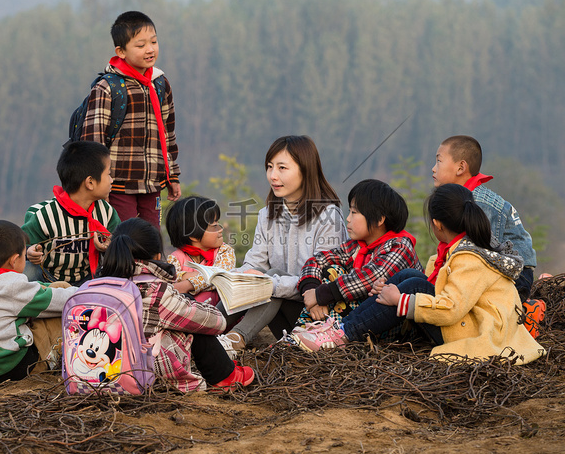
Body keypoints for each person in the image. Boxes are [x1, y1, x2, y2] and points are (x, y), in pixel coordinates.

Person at [292, 184, 545, 366]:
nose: (348, 218)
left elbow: (451, 308)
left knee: (411, 285)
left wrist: (399, 301)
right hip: (466, 322)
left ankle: (342, 334)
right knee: (410, 276)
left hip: (476, 332)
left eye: (354, 212)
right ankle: (339, 330)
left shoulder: (469, 258)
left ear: (437, 224)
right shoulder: (453, 251)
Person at [217, 135, 348, 357]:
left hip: (317, 320)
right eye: (269, 167)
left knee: (273, 279)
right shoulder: (267, 215)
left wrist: (269, 283)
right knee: (260, 279)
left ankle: (235, 340)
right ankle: (206, 328)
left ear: (305, 170)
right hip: (280, 317)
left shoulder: (328, 218)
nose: (273, 176)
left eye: (282, 168)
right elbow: (255, 263)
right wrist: (234, 278)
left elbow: (324, 281)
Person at [97, 217, 254, 392]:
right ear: (157, 256)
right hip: (143, 377)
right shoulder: (155, 291)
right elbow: (216, 322)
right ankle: (226, 376)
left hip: (97, 370)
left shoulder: (98, 285)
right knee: (192, 319)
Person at [81, 10, 181, 226]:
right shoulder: (108, 87)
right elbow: (92, 141)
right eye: (140, 45)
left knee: (151, 241)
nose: (150, 49)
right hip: (118, 184)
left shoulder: (160, 83)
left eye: (153, 42)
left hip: (153, 182)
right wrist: (99, 184)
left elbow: (167, 134)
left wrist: (172, 176)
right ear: (121, 51)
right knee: (123, 240)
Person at [0, 220, 78, 383]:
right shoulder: (10, 287)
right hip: (12, 368)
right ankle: (53, 362)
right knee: (62, 309)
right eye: (25, 255)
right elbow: (64, 299)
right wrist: (88, 291)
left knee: (54, 290)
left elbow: (30, 291)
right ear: (14, 260)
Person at [295, 179, 422, 327]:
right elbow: (316, 261)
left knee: (342, 287)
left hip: (394, 323)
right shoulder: (356, 246)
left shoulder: (400, 246)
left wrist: (319, 296)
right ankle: (308, 333)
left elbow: (368, 278)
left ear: (379, 219)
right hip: (359, 316)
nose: (348, 218)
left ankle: (319, 334)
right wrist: (312, 291)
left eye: (354, 212)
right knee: (332, 270)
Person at [432, 135, 537, 301]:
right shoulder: (466, 198)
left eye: (439, 161)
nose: (433, 168)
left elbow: (487, 256)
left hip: (515, 276)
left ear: (460, 168)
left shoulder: (479, 204)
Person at [22, 141, 120, 286]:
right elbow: (21, 248)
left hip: (88, 281)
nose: (112, 180)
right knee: (27, 270)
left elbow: (120, 244)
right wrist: (30, 253)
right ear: (90, 183)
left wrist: (110, 245)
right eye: (109, 174)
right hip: (48, 281)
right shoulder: (44, 215)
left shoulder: (107, 213)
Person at [165, 195, 236, 305]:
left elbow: (221, 276)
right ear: (193, 235)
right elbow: (169, 281)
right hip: (185, 316)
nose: (220, 229)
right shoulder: (176, 258)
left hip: (220, 315)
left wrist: (187, 284)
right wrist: (207, 275)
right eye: (214, 226)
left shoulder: (224, 251)